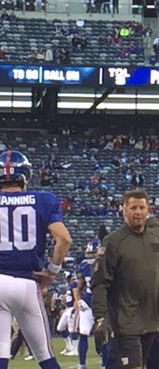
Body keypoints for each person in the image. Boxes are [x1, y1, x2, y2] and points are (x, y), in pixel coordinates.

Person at [90, 190, 159, 369]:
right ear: (124, 210)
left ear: (148, 210)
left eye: (142, 207)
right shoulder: (113, 242)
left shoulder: (158, 239)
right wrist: (100, 317)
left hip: (151, 321)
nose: (138, 212)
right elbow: (100, 283)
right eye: (133, 208)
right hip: (124, 322)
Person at [0, 150, 72, 369]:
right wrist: (52, 271)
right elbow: (64, 239)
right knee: (45, 355)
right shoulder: (43, 199)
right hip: (27, 283)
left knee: (1, 351)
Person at [74, 240, 109, 369]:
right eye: (88, 253)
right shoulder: (84, 266)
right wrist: (78, 300)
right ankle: (81, 364)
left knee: (103, 333)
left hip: (102, 303)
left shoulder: (107, 265)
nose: (90, 256)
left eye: (92, 252)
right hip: (88, 303)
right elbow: (79, 287)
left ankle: (104, 365)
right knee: (83, 333)